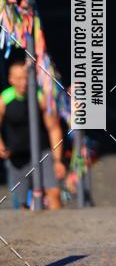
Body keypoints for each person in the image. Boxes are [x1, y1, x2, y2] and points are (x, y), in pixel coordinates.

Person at [0, 57, 66, 209]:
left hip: (42, 153)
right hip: (17, 157)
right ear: (11, 80)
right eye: (18, 79)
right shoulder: (4, 99)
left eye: (26, 78)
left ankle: (59, 222)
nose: (23, 82)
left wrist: (57, 160)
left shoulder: (40, 96)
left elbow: (54, 128)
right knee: (21, 203)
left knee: (54, 193)